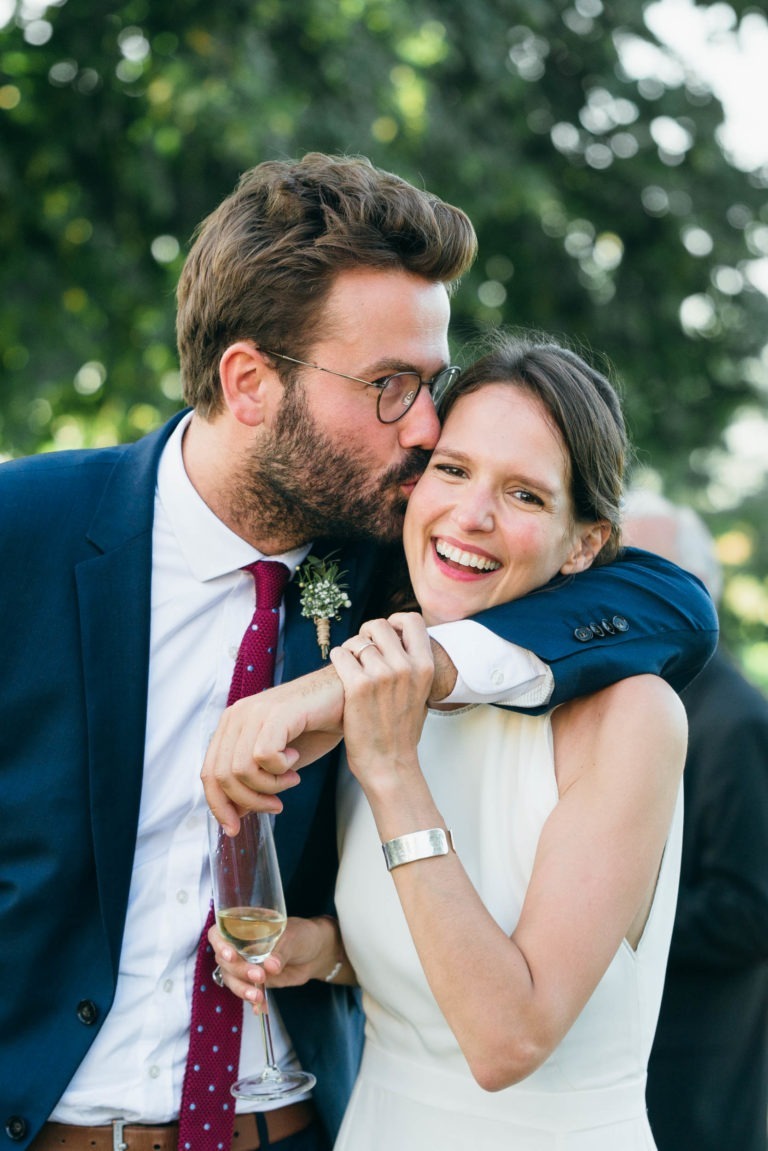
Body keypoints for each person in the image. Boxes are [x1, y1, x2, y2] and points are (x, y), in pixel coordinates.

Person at [0, 153, 717, 1151]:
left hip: (296, 1126)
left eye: (431, 382)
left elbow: (671, 603)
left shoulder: (398, 556)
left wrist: (330, 691)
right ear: (249, 381)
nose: (427, 429)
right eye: (391, 385)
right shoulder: (23, 531)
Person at [210, 334, 689, 1150]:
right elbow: (424, 953)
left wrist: (393, 774)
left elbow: (507, 1038)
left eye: (527, 495)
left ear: (584, 545)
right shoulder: (387, 669)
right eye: (455, 469)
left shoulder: (630, 717)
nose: (472, 515)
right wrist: (319, 951)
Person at [624, 491, 768, 1151]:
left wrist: (608, 923)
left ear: (701, 589)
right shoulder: (639, 696)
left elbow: (749, 909)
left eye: (654, 574)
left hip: (698, 1072)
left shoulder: (733, 718)